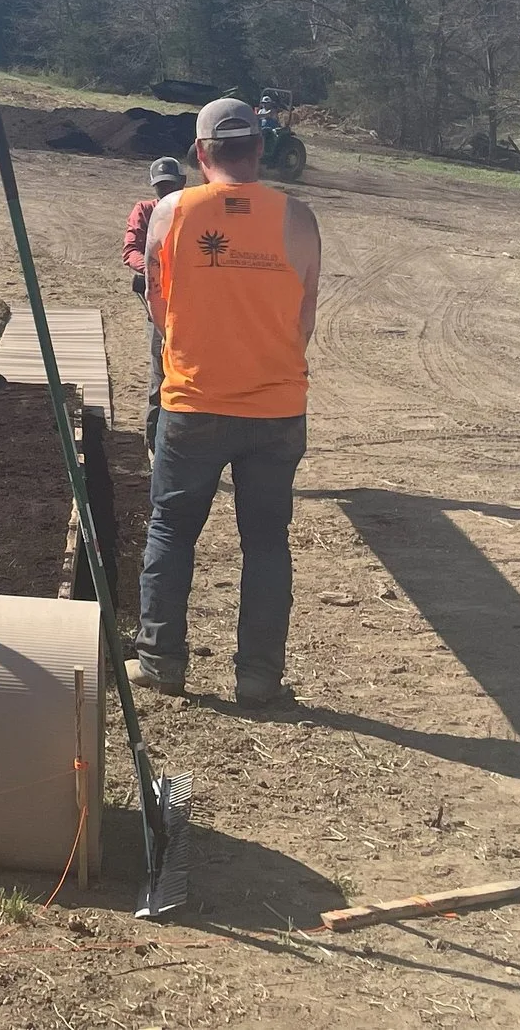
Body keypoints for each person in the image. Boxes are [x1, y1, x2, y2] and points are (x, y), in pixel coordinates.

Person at [130, 97, 322, 707]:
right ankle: (258, 678)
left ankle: (161, 661)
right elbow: (304, 318)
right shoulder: (299, 218)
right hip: (275, 409)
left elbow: (158, 311)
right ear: (260, 149)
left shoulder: (168, 213)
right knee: (266, 543)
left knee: (170, 531)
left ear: (200, 153)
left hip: (192, 403)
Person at [120, 157, 187, 452]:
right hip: (160, 301)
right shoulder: (145, 211)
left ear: (181, 183)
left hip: (193, 304)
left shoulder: (193, 210)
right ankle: (154, 444)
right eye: (161, 188)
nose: (165, 192)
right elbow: (131, 249)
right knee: (160, 373)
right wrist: (151, 269)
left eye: (170, 186)